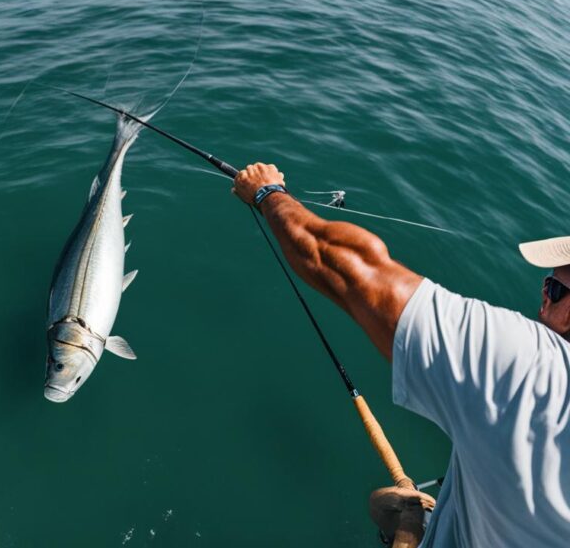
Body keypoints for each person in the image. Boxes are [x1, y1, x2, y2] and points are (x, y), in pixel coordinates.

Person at [231, 163, 570, 547]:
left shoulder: (532, 365)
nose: (543, 299)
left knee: (389, 506)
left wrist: (266, 193)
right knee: (392, 504)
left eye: (552, 289)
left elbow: (347, 267)